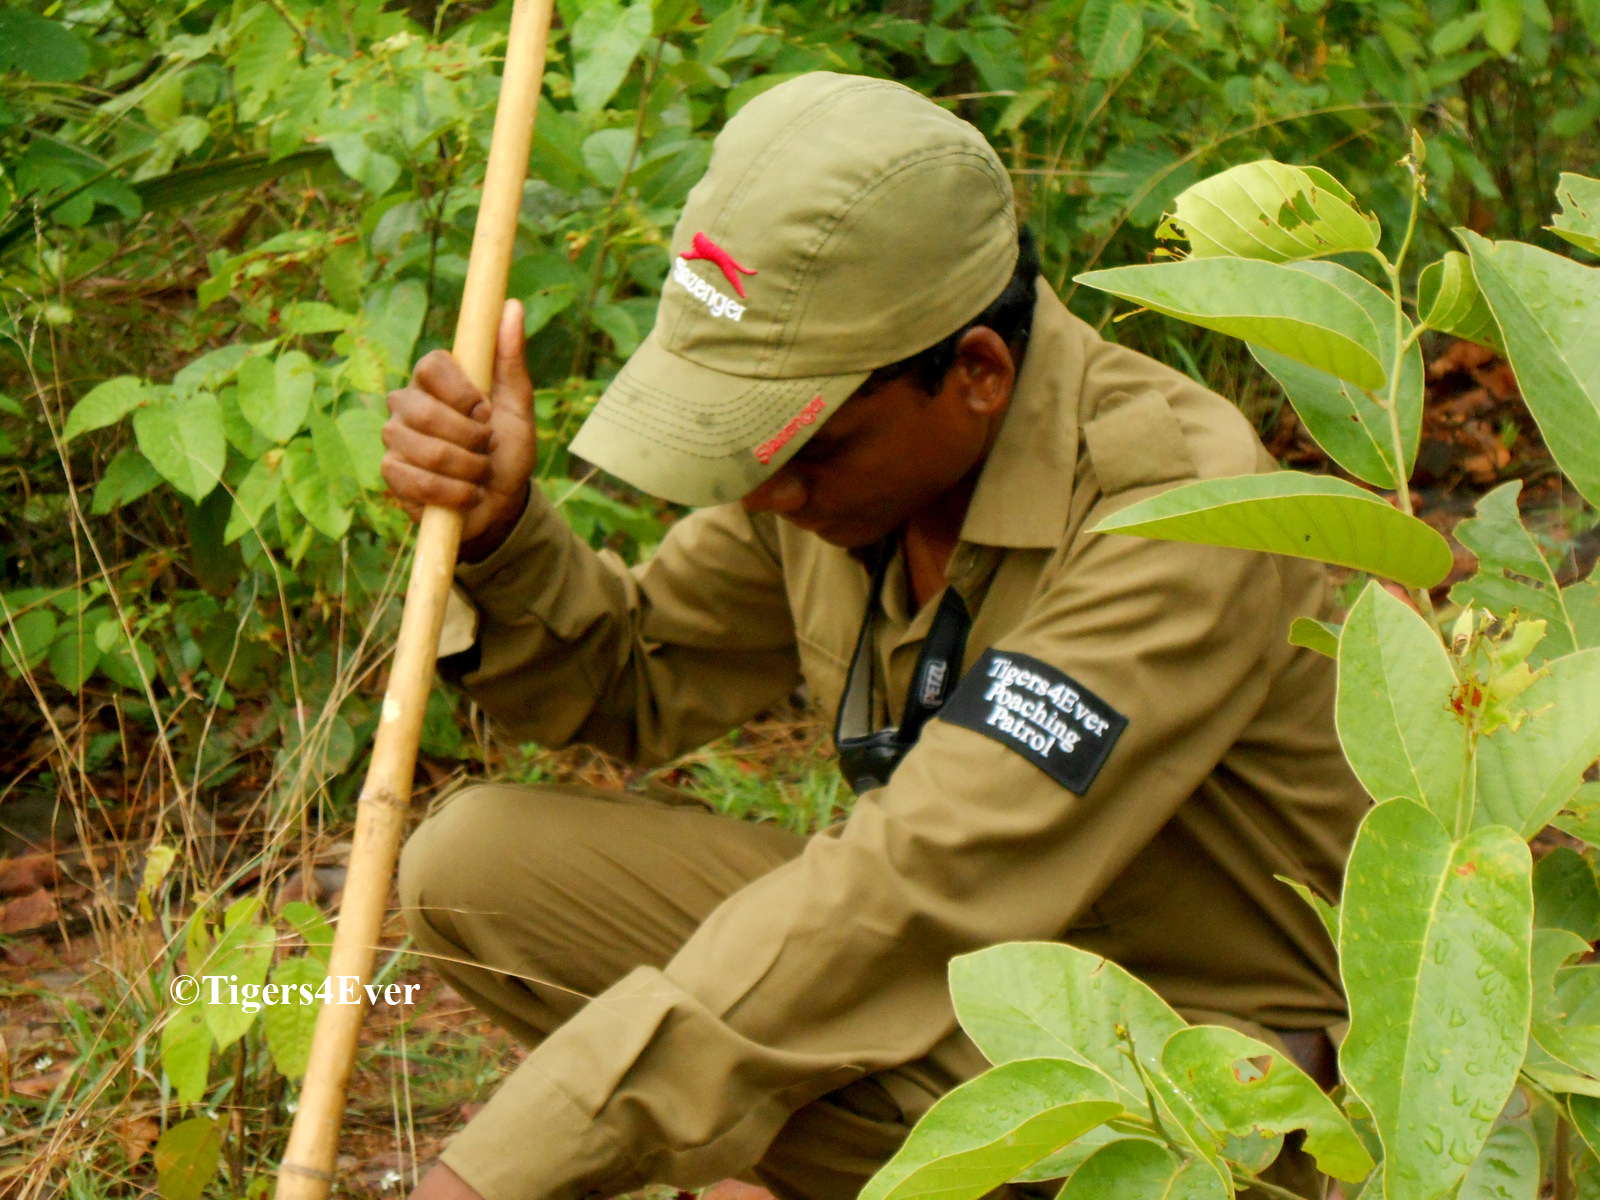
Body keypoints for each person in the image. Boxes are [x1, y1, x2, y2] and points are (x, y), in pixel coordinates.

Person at [382, 72, 1366, 1200]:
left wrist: (483, 1177)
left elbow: (912, 888)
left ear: (978, 377)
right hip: (977, 973)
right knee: (475, 869)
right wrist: (505, 534)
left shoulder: (1177, 510)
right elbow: (634, 681)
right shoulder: (837, 477)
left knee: (790, 1028)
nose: (765, 496)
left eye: (807, 449)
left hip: (1210, 1067)